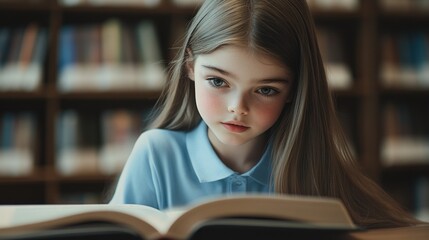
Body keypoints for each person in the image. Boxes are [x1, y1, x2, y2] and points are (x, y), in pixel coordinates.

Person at [110, 0, 421, 228]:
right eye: (218, 81)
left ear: (294, 91)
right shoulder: (155, 155)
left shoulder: (313, 161)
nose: (238, 108)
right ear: (190, 66)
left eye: (266, 90)